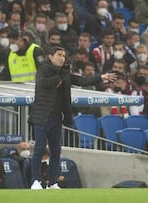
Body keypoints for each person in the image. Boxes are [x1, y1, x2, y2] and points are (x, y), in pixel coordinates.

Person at [28, 46, 115, 189]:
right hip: (42, 116)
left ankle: (53, 182)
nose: (62, 58)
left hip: (56, 117)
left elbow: (81, 80)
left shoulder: (65, 72)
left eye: (63, 55)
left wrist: (100, 77)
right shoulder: (43, 70)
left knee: (56, 151)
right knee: (39, 148)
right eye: (59, 55)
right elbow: (42, 83)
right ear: (50, 56)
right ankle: (36, 181)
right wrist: (57, 78)